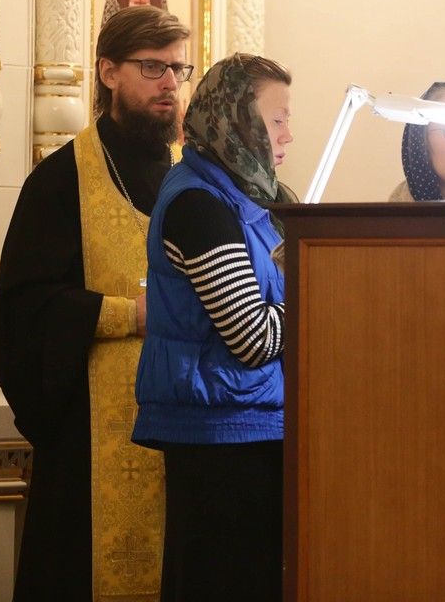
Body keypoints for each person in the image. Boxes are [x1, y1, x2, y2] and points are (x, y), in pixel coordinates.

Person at [0, 5, 191, 601]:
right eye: (153, 67)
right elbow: (24, 315)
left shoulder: (192, 180)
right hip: (87, 444)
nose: (170, 84)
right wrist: (129, 314)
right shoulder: (59, 182)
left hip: (186, 437)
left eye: (179, 69)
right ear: (108, 72)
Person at [130, 53, 293, 602]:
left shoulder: (247, 197)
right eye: (276, 120)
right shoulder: (200, 205)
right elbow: (254, 339)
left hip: (247, 422)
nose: (287, 135)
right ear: (235, 120)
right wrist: (323, 301)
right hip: (222, 436)